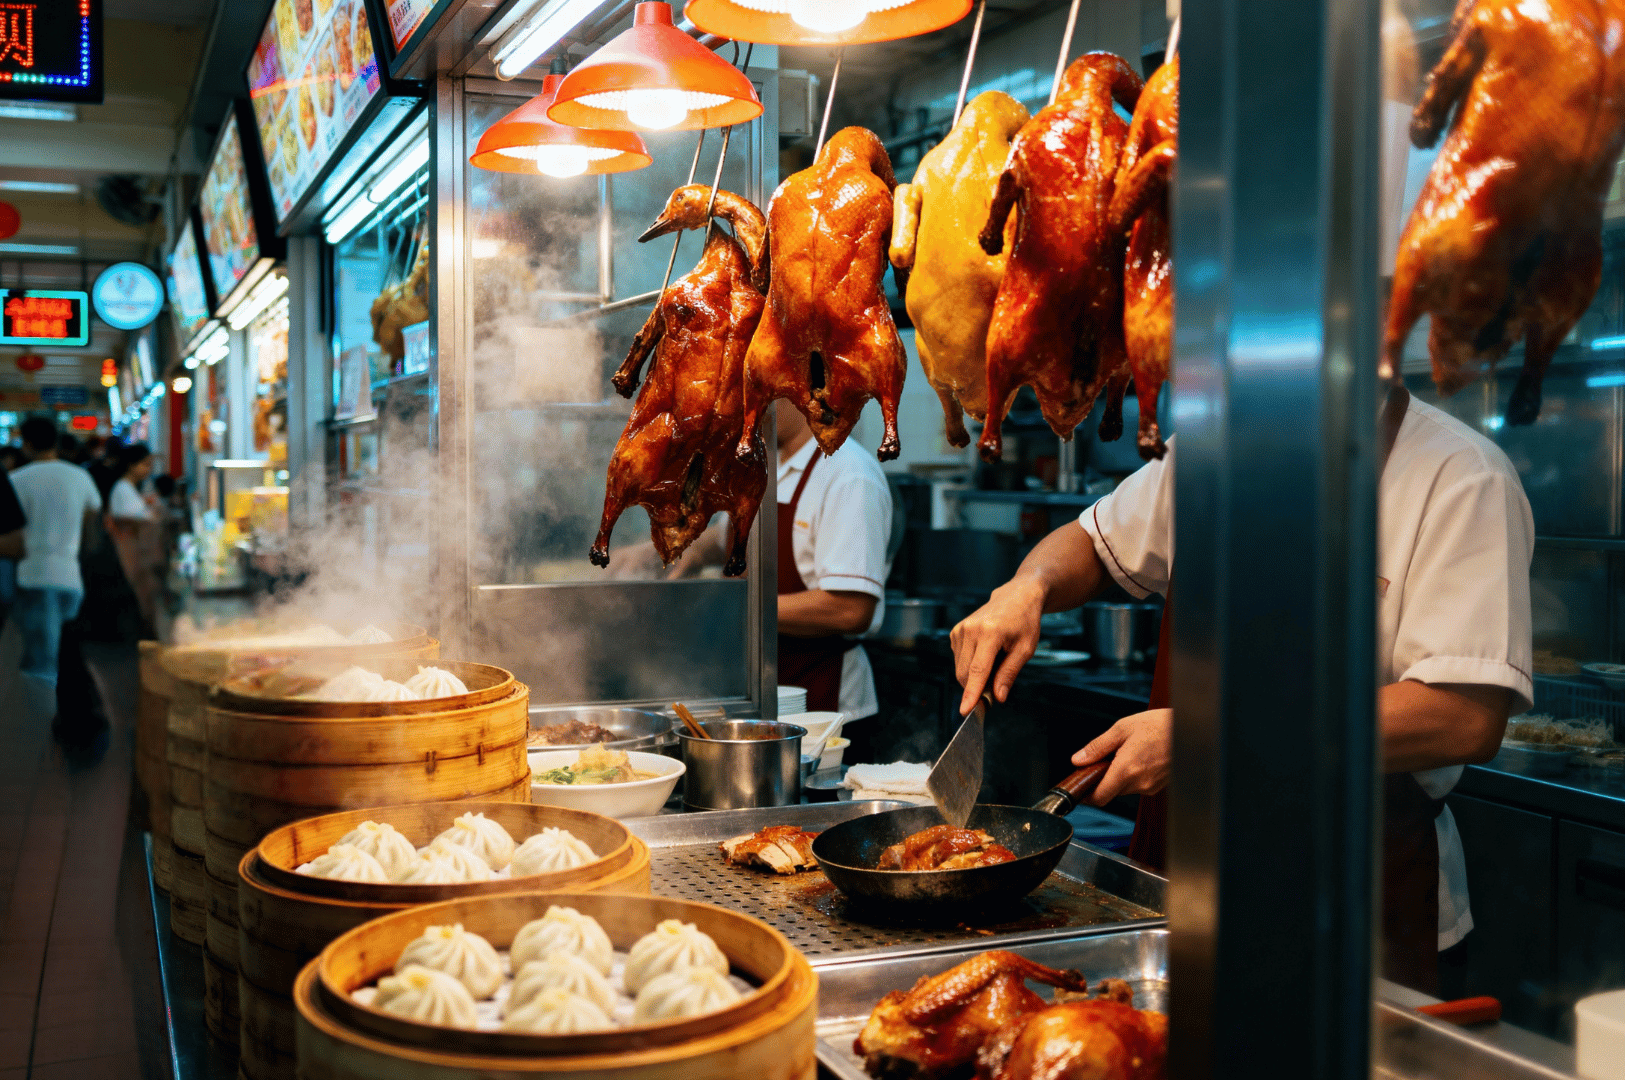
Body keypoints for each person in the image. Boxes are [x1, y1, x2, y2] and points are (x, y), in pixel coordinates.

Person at [950, 387, 1533, 992]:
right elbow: (1096, 542)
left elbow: (1464, 715)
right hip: (1184, 875)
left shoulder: (1463, 476)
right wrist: (1029, 587)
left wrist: (1210, 737)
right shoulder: (1212, 449)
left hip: (1349, 892)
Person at [629, 398, 896, 719]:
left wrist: (735, 605)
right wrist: (691, 551)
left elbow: (851, 609)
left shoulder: (849, 475)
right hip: (754, 686)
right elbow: (729, 535)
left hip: (822, 702)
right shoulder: (764, 462)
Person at [9, 417, 102, 692]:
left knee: (41, 664)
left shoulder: (16, 480)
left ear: (26, 444)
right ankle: (65, 718)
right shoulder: (79, 476)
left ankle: (40, 724)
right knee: (65, 656)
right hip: (71, 580)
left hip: (33, 577)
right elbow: (91, 521)